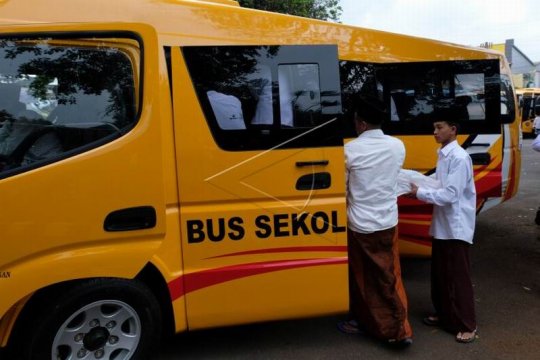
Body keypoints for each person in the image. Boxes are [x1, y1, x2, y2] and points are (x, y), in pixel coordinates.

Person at [338, 95, 413, 348]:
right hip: (388, 221)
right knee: (390, 275)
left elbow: (344, 189)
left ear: (360, 123)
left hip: (360, 224)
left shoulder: (349, 150)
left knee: (364, 279)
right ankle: (397, 325)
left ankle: (386, 328)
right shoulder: (397, 145)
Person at [408, 107, 478, 343]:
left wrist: (419, 193)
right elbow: (439, 184)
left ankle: (467, 324)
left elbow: (450, 194)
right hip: (443, 224)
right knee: (440, 274)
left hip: (456, 227)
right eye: (434, 127)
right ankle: (444, 314)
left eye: (439, 127)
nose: (435, 132)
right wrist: (417, 183)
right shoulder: (444, 154)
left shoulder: (459, 158)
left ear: (453, 129)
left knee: (457, 277)